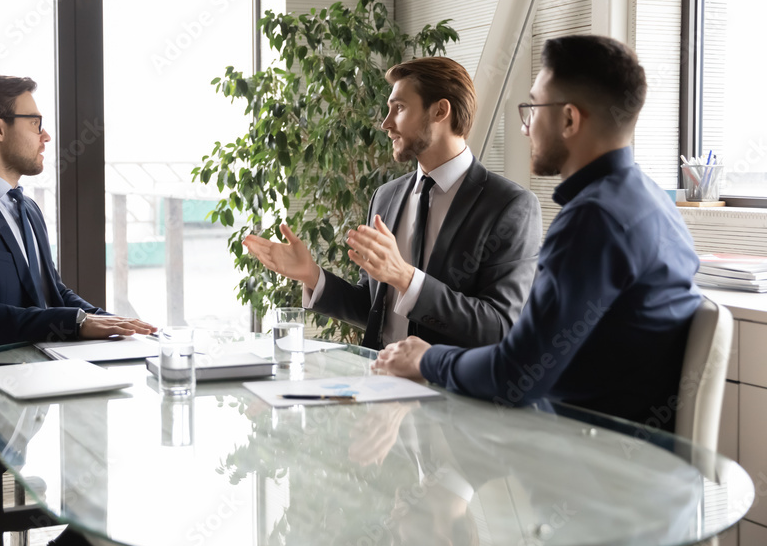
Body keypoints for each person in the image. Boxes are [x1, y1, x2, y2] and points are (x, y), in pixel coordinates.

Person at [376, 35, 703, 431]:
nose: (525, 127)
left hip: (593, 464)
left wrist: (425, 359)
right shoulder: (653, 203)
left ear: (569, 119)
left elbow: (515, 374)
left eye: (532, 108)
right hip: (624, 455)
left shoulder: (593, 220)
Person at [0, 75, 152, 546]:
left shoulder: (26, 209)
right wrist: (75, 324)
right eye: (36, 121)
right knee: (126, 452)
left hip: (44, 392)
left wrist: (116, 325)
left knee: (138, 436)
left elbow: (53, 291)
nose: (46, 135)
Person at [243, 56, 541, 350]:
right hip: (382, 386)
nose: (386, 124)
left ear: (440, 110)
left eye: (398, 108)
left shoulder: (510, 206)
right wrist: (312, 274)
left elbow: (500, 328)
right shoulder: (386, 197)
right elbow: (376, 309)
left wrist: (405, 277)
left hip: (453, 394)